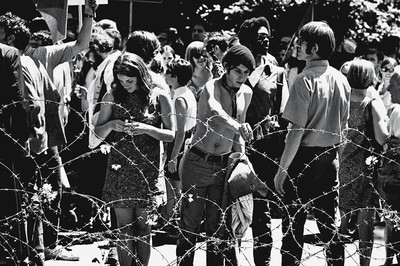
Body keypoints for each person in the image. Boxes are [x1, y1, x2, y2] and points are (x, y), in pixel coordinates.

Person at [274, 21, 351, 266]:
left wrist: (282, 169)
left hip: (302, 160)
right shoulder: (341, 80)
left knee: (292, 228)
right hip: (329, 159)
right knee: (329, 225)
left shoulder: (304, 80)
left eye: (302, 42)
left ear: (314, 48)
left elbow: (295, 131)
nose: (297, 45)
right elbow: (344, 128)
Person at [176, 44, 255, 266]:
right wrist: (237, 126)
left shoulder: (247, 93)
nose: (242, 77)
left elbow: (239, 135)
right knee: (190, 223)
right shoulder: (211, 87)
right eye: (238, 71)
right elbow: (213, 112)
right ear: (226, 68)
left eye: (247, 72)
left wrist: (242, 164)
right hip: (199, 161)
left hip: (223, 165)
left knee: (218, 226)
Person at [94, 52, 175, 266]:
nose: (125, 85)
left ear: (140, 75)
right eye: (120, 81)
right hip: (120, 169)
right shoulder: (111, 97)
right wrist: (111, 125)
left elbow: (171, 134)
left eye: (129, 80)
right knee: (124, 228)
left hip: (146, 169)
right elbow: (96, 133)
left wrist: (147, 129)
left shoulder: (159, 96)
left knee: (144, 227)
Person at [238, 15, 290, 266]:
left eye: (267, 36)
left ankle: (263, 261)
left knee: (262, 211)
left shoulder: (276, 71)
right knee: (233, 208)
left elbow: (283, 111)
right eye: (260, 37)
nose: (266, 40)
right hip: (237, 146)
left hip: (266, 149)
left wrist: (276, 124)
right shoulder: (236, 69)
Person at [338, 59, 389, 266]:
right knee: (365, 222)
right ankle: (364, 263)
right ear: (370, 78)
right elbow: (382, 138)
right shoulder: (372, 104)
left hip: (343, 165)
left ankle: (337, 259)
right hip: (366, 168)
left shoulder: (340, 101)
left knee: (342, 219)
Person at [0, 43, 31, 265]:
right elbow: (17, 97)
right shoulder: (8, 53)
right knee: (8, 201)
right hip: (4, 139)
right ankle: (11, 255)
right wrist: (20, 138)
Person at [161, 58, 197, 233]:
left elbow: (180, 131)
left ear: (174, 76)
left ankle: (174, 224)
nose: (165, 75)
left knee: (174, 187)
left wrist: (173, 157)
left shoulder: (180, 99)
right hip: (186, 141)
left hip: (179, 143)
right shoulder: (187, 93)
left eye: (168, 72)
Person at [378, 65, 400, 266]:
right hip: (392, 178)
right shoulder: (395, 111)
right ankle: (389, 258)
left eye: (393, 85)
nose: (389, 89)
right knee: (392, 220)